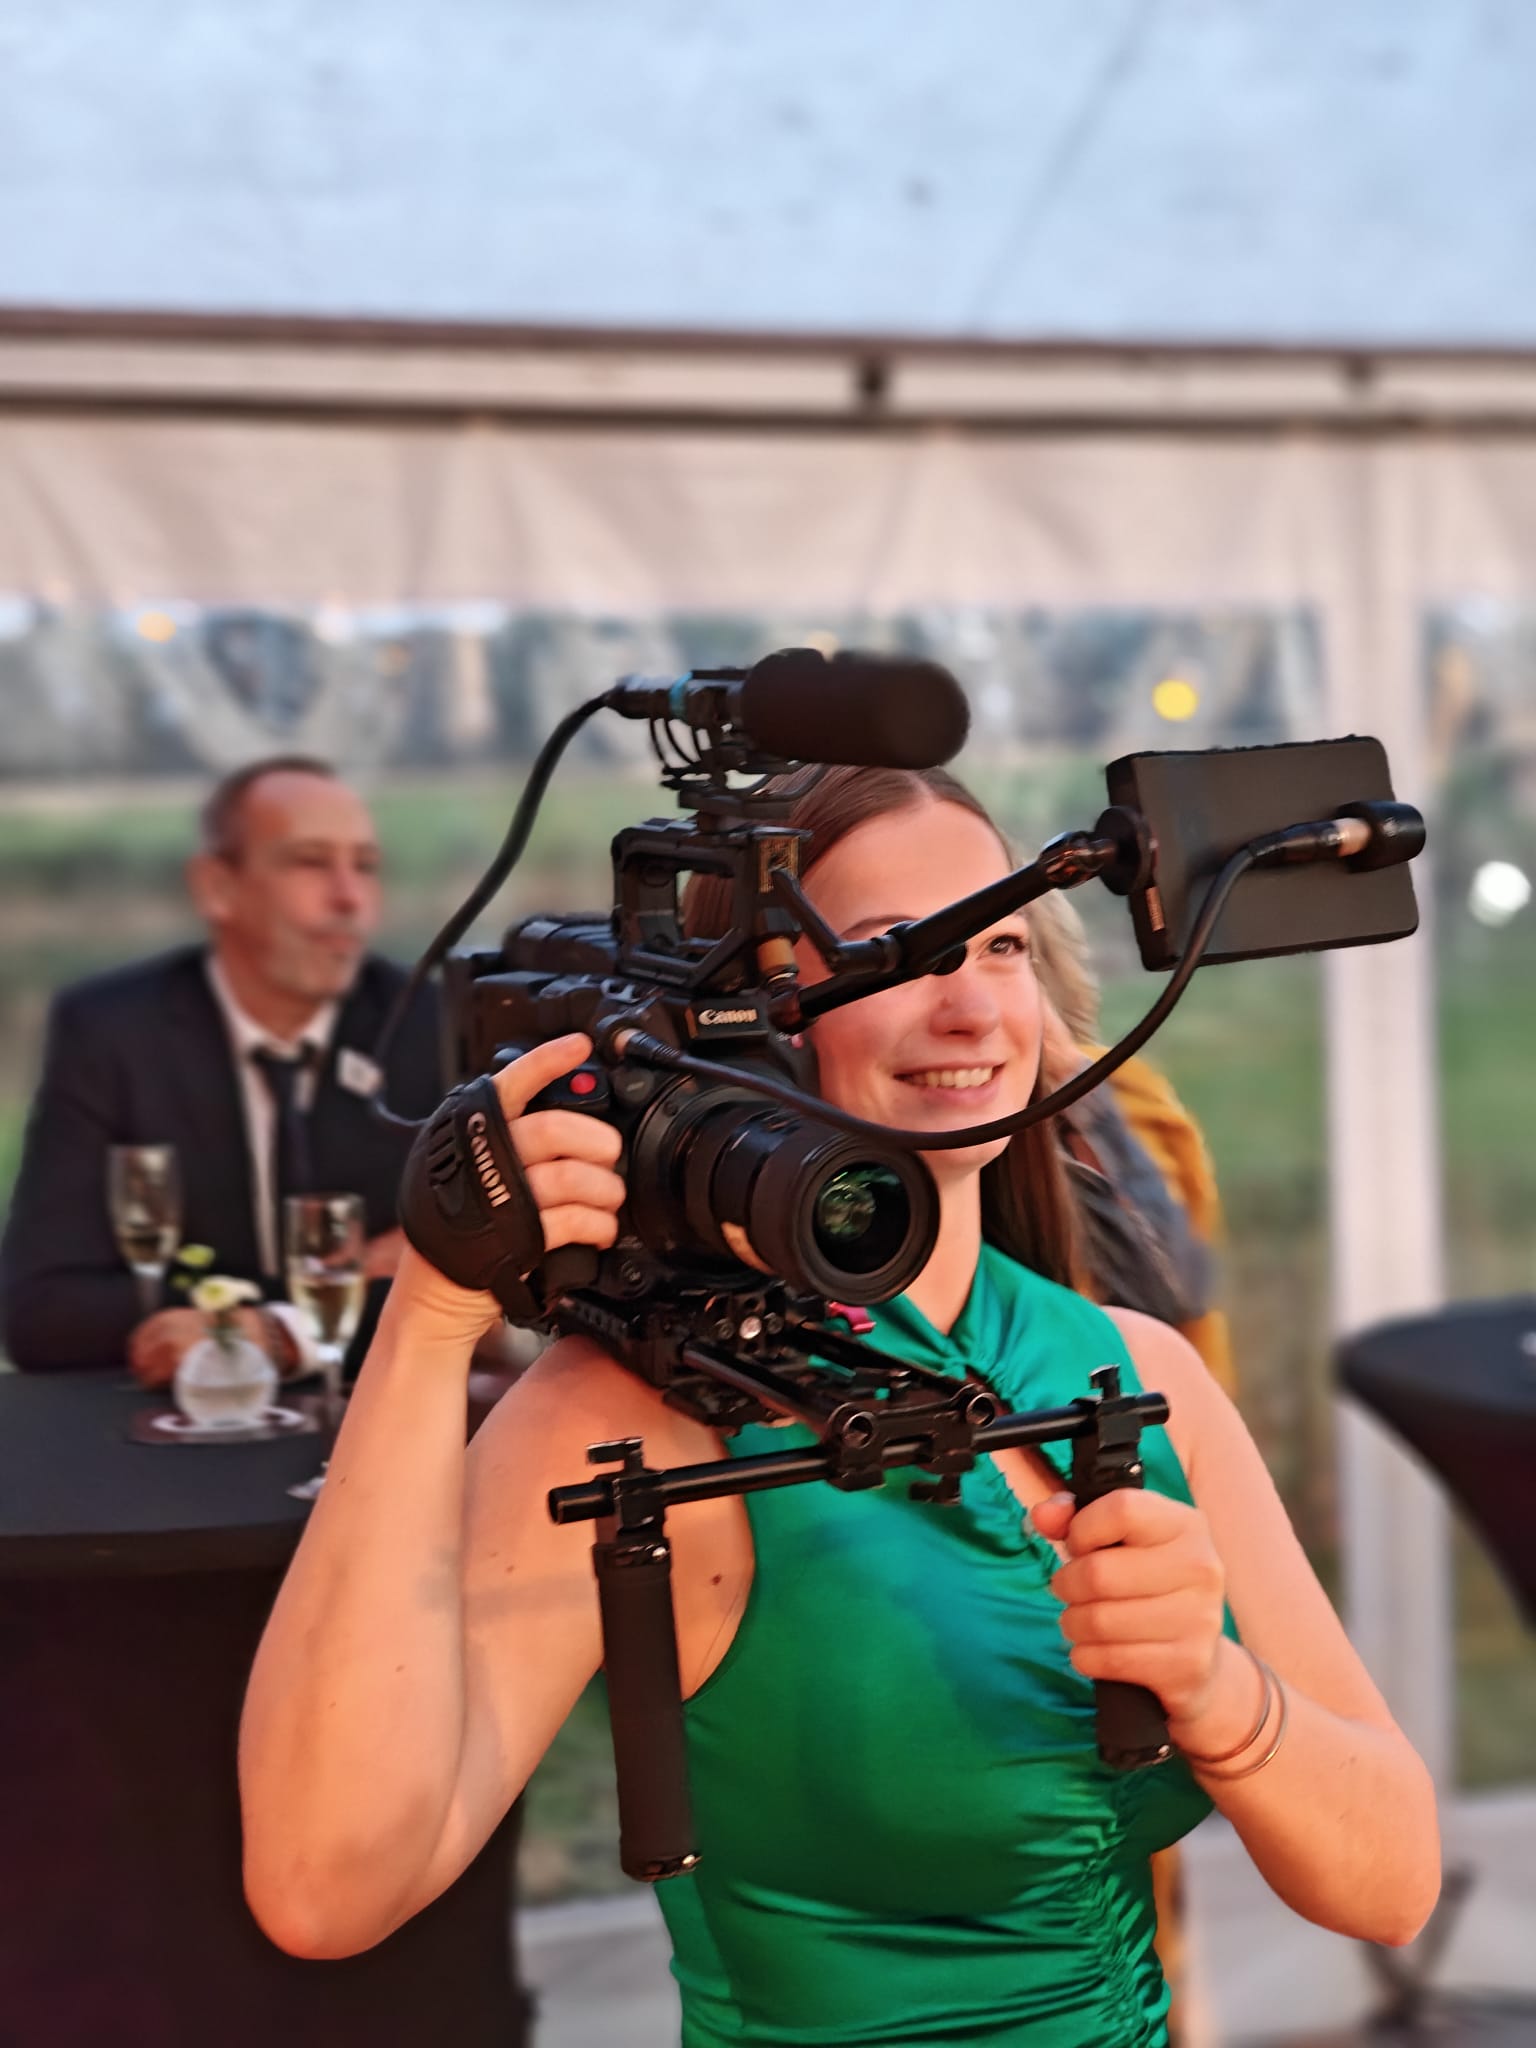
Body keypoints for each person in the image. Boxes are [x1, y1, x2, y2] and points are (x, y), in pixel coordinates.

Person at [239, 763, 1440, 2048]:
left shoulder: (1136, 1372)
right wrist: (431, 1314)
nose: (969, 1006)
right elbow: (324, 1888)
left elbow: (1391, 1883)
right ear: (748, 1021)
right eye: (893, 953)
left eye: (1000, 945)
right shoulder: (632, 1420)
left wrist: (1218, 1688)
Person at [0, 755, 441, 1379]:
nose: (350, 899)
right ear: (217, 887)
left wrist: (267, 1329)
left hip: (376, 1413)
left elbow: (490, 1295)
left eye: (366, 867)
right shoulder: (113, 1033)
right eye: (310, 862)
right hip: (175, 1422)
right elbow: (41, 1315)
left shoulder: (431, 1023)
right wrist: (302, 1307)